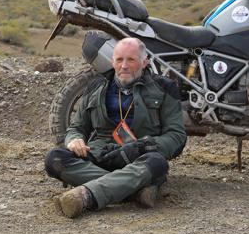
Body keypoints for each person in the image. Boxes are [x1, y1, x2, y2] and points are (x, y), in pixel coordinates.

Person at [44, 35, 186, 218]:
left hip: (138, 159)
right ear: (112, 61)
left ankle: (85, 196)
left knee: (157, 163)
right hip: (99, 155)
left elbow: (176, 136)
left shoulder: (164, 87)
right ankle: (134, 190)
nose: (124, 66)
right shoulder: (95, 86)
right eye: (119, 59)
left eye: (131, 60)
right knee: (54, 159)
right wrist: (74, 140)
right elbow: (76, 127)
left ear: (144, 62)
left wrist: (142, 147)